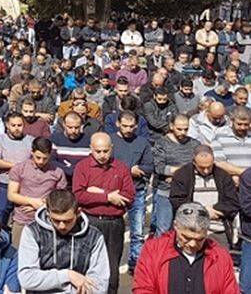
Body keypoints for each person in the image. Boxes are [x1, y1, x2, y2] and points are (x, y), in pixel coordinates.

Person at [72, 132, 134, 294]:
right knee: (86, 265)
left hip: (114, 223)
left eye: (105, 151)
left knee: (112, 270)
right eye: (98, 151)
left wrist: (97, 192)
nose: (102, 155)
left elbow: (129, 196)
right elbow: (79, 196)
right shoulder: (82, 167)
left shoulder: (121, 168)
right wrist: (108, 196)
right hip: (90, 221)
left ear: (111, 149)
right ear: (91, 149)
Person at [133, 202, 239, 294]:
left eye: (199, 239)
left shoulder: (220, 257)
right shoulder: (153, 250)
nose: (192, 244)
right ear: (176, 226)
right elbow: (143, 288)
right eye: (186, 237)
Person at [17, 189, 109, 294]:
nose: (62, 226)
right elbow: (27, 278)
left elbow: (100, 286)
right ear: (47, 212)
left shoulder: (94, 236)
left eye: (67, 221)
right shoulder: (32, 232)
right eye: (56, 220)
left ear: (78, 213)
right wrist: (68, 276)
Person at [169, 145, 239, 249]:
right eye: (202, 167)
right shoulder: (182, 175)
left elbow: (232, 202)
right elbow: (177, 201)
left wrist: (216, 209)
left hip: (218, 230)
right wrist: (203, 211)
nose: (206, 171)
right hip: (190, 231)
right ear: (194, 162)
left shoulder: (223, 175)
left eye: (209, 167)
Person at [109, 110, 153, 272]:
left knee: (137, 232)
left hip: (137, 191)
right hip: (114, 192)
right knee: (113, 232)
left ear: (136, 126)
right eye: (125, 126)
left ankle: (135, 264)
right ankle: (111, 263)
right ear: (118, 124)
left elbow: (150, 166)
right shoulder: (110, 141)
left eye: (131, 126)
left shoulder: (142, 143)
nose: (128, 129)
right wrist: (128, 169)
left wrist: (140, 169)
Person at [6, 137, 67, 246]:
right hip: (22, 220)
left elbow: (60, 199)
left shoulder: (58, 172)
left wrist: (43, 205)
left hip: (47, 221)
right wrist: (32, 202)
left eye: (45, 158)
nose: (41, 161)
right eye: (38, 157)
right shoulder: (19, 169)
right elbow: (11, 195)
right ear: (32, 152)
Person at [152, 114, 201, 235]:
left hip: (187, 193)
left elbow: (198, 166)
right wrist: (183, 172)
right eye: (179, 129)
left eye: (186, 129)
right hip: (166, 192)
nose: (183, 132)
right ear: (171, 126)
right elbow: (159, 167)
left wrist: (176, 174)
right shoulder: (161, 144)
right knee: (164, 229)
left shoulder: (195, 144)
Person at [0, 112, 34, 229]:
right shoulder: (0, 139)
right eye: (13, 125)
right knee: (1, 213)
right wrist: (16, 167)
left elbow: (34, 162)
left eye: (19, 125)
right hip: (5, 183)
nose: (16, 128)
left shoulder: (30, 141)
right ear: (7, 125)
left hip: (24, 185)